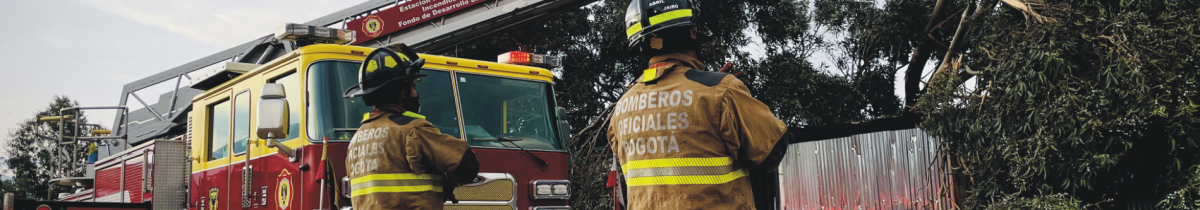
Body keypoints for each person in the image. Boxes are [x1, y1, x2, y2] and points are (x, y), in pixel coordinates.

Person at [606, 0, 791, 209]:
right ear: (693, 32)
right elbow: (771, 151)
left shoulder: (621, 108)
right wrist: (721, 96)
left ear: (640, 45)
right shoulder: (723, 91)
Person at [343, 44, 479, 210]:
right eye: (413, 87)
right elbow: (467, 165)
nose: (415, 93)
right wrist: (447, 182)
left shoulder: (356, 139)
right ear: (401, 91)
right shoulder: (412, 129)